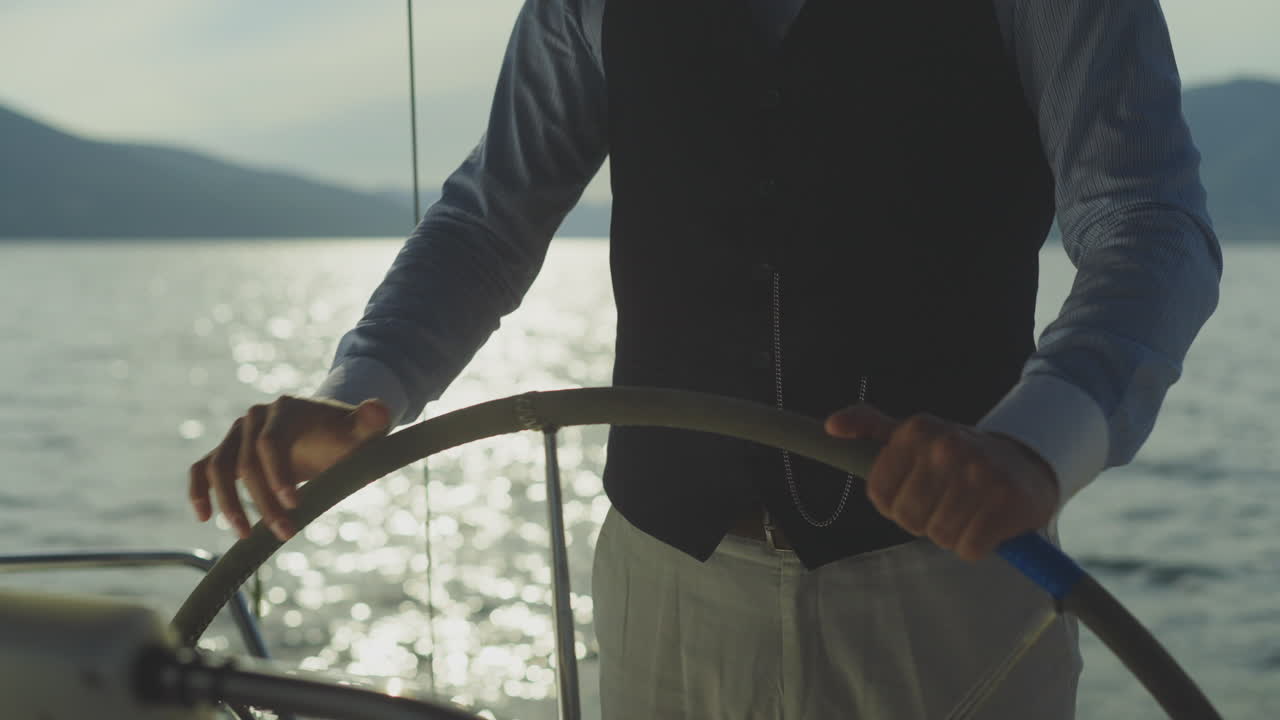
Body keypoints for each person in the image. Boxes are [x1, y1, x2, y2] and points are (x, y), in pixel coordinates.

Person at [188, 0, 1223, 717]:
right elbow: (485, 223)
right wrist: (359, 390)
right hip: (662, 592)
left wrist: (1031, 444)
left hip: (943, 593)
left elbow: (1147, 226)